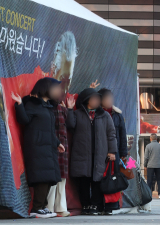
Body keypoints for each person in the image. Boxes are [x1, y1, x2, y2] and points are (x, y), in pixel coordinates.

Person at [11, 78, 64, 218]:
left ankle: (42, 207)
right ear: (45, 88)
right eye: (55, 88)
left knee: (49, 178)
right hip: (37, 147)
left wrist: (57, 143)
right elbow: (24, 120)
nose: (58, 91)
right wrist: (19, 104)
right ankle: (36, 208)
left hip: (48, 147)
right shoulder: (32, 104)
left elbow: (49, 130)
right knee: (42, 178)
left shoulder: (48, 107)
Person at [66, 88, 118, 215]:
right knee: (83, 181)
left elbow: (111, 134)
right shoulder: (78, 113)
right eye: (94, 98)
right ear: (87, 100)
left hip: (100, 155)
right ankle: (85, 205)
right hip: (82, 154)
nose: (97, 101)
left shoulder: (105, 115)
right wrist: (69, 110)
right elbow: (70, 125)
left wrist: (112, 151)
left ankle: (95, 205)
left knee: (97, 181)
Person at [98, 88, 128, 212]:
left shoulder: (117, 115)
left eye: (111, 98)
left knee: (114, 178)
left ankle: (112, 204)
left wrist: (123, 153)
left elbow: (122, 135)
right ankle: (100, 204)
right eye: (107, 98)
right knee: (100, 178)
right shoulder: (96, 113)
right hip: (99, 153)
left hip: (115, 153)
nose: (110, 100)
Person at [46, 91, 69, 217]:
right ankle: (49, 207)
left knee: (62, 178)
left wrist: (69, 109)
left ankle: (61, 207)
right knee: (52, 177)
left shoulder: (62, 109)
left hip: (63, 146)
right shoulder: (47, 108)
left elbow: (70, 124)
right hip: (51, 145)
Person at [144, 134, 160, 199]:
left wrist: (145, 165)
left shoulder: (148, 146)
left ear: (150, 139)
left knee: (149, 180)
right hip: (159, 165)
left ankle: (149, 194)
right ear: (156, 139)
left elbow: (146, 157)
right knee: (159, 180)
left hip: (150, 165)